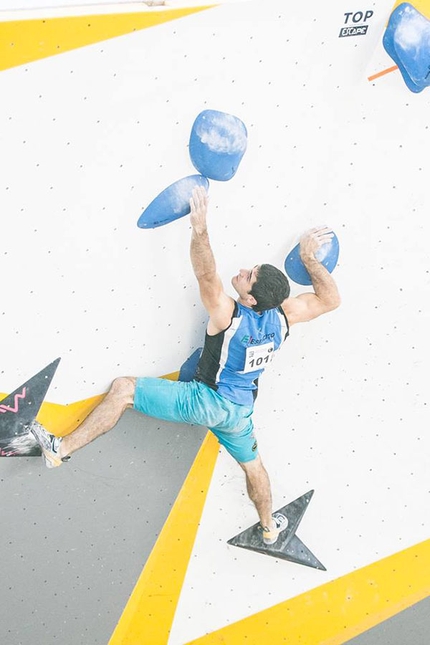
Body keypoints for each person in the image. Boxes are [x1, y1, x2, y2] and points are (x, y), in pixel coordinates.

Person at [30, 186, 340, 546]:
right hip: (238, 412)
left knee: (123, 389)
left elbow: (206, 276)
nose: (241, 271)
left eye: (248, 275)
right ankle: (270, 528)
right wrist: (310, 259)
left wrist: (200, 228)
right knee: (254, 466)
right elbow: (330, 300)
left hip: (205, 401)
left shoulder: (229, 315)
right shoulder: (284, 317)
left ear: (251, 298)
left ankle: (60, 449)